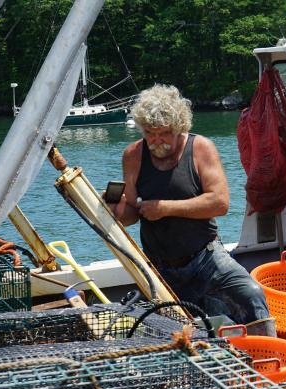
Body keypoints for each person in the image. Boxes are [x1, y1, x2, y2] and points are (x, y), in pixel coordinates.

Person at [108, 84, 275, 336]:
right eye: (149, 134)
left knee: (251, 295)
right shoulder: (132, 155)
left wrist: (166, 208)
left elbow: (220, 203)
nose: (156, 141)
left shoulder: (200, 148)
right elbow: (132, 214)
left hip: (206, 258)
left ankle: (267, 358)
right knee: (161, 331)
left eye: (163, 133)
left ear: (179, 128)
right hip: (160, 266)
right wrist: (117, 210)